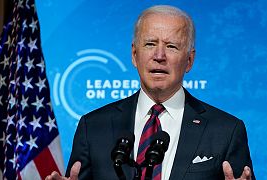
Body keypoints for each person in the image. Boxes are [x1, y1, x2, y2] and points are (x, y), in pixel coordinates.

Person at [46, 5, 255, 180]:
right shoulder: (93, 127)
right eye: (150, 44)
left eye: (171, 46)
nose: (159, 55)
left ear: (189, 60)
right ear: (135, 55)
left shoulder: (226, 131)